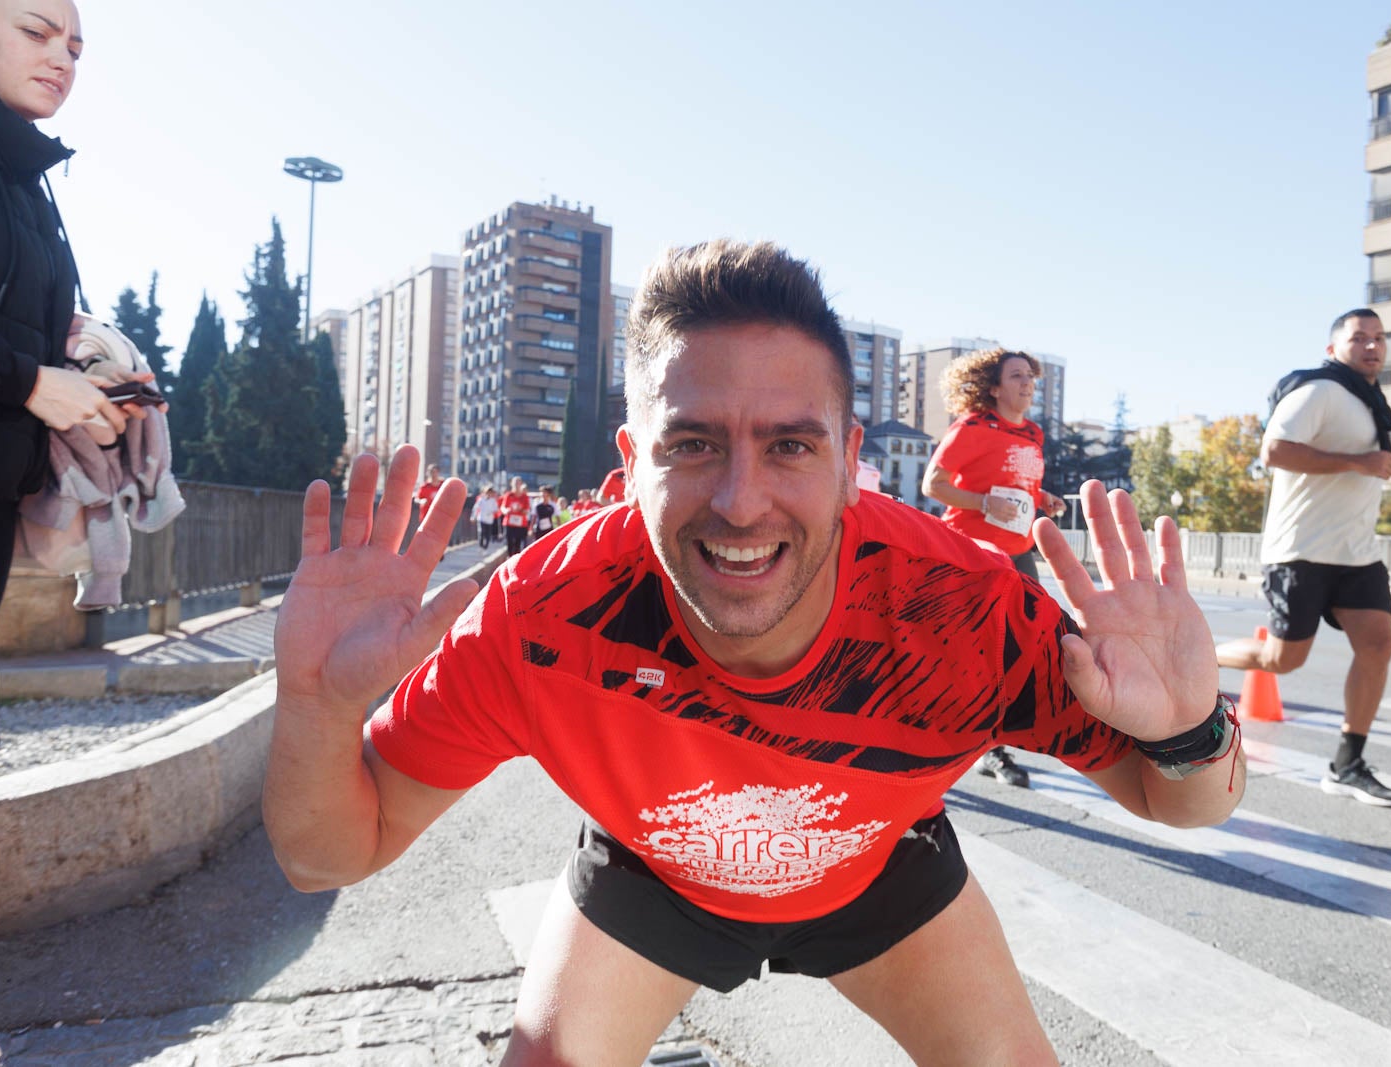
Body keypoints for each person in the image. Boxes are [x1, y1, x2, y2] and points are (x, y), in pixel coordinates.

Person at [264, 240, 1242, 1067]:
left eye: (788, 446)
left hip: (879, 869)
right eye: (691, 444)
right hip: (656, 876)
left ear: (849, 459)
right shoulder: (543, 612)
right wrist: (313, 704)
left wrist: (1192, 725)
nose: (739, 501)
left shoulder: (962, 609)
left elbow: (1181, 800)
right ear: (629, 453)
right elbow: (324, 855)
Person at [0, 3, 153, 1063]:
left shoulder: (30, 182)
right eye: (39, 29)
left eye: (76, 45)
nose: (62, 57)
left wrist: (88, 380)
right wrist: (31, 378)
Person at [1216, 308, 1391, 808]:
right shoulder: (1318, 390)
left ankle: (1347, 765)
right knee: (1282, 661)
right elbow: (1274, 451)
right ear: (1334, 349)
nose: (1372, 346)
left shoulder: (1372, 404)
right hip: (1301, 549)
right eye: (1359, 338)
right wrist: (1359, 461)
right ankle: (1199, 656)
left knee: (1377, 645)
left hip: (1357, 551)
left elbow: (1367, 467)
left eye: (1379, 338)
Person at [922, 348, 1067, 789]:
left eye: (1031, 377)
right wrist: (986, 504)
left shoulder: (1034, 434)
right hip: (975, 551)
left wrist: (1045, 500)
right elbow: (934, 485)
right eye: (1017, 376)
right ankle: (988, 749)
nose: (1027, 384)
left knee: (1032, 641)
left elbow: (1024, 486)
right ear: (994, 387)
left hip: (1020, 551)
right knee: (983, 651)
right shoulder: (972, 427)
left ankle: (1000, 731)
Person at [496, 476, 530, 557]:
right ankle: (509, 557)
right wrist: (506, 510)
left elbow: (527, 510)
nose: (516, 485)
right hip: (509, 523)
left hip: (520, 524)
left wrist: (520, 510)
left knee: (518, 544)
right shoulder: (509, 495)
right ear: (511, 484)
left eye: (518, 483)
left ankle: (515, 561)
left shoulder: (525, 497)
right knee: (509, 542)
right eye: (515, 483)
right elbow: (503, 507)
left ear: (521, 484)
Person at [471, 485, 500, 552]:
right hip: (481, 518)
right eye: (488, 492)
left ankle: (485, 546)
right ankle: (481, 545)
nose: (489, 494)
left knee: (488, 534)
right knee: (481, 532)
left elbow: (496, 509)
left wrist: (491, 511)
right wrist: (473, 517)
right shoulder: (481, 500)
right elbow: (476, 508)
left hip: (489, 520)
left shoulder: (493, 501)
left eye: (490, 492)